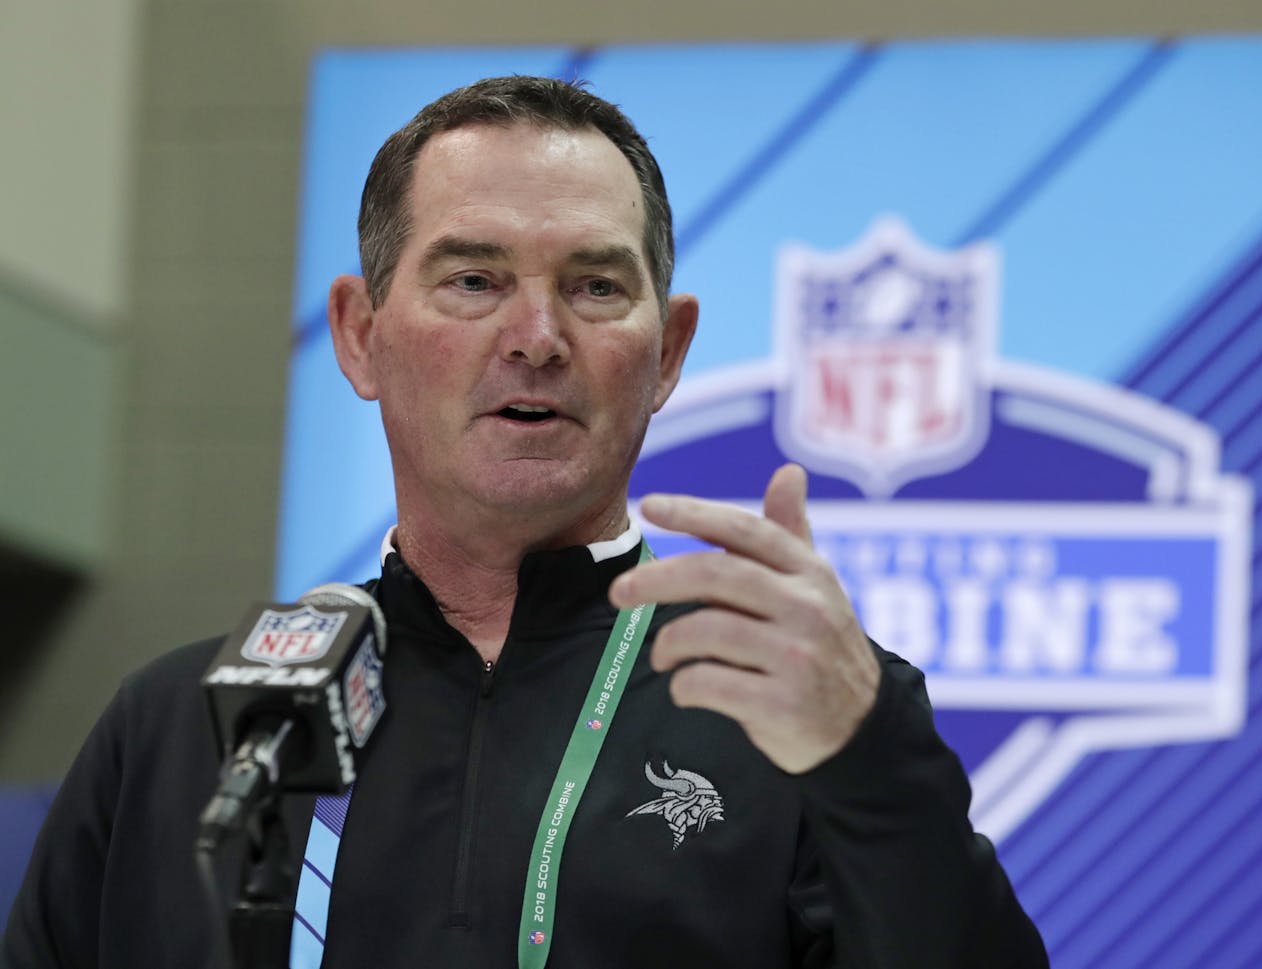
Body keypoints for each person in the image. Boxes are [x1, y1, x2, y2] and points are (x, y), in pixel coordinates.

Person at [2, 76, 1047, 968]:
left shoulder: (806, 714)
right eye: (473, 280)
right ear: (361, 338)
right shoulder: (178, 724)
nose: (537, 337)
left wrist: (870, 762)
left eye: (594, 286)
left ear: (668, 353)